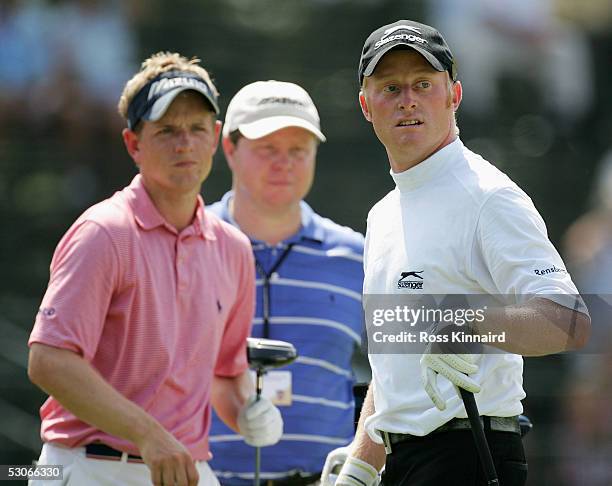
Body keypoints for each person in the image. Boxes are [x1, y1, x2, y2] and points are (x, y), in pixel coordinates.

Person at [320, 19, 591, 486]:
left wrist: (471, 321)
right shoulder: (382, 215)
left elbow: (570, 321)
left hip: (473, 453)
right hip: (404, 462)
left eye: (424, 84)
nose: (408, 99)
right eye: (390, 87)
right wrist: (360, 467)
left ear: (454, 96)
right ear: (366, 106)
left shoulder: (488, 196)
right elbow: (395, 365)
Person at [27, 52, 283, 486]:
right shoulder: (103, 232)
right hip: (86, 467)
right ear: (133, 144)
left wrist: (246, 412)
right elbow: (48, 360)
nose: (184, 143)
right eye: (166, 131)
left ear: (215, 136)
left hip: (186, 470)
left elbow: (225, 374)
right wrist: (147, 433)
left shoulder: (233, 249)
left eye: (196, 129)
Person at [206, 80, 366, 485]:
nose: (285, 163)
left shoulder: (359, 257)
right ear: (229, 148)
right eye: (267, 150)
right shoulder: (186, 246)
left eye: (298, 150)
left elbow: (402, 375)